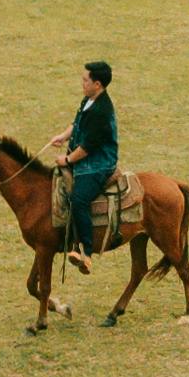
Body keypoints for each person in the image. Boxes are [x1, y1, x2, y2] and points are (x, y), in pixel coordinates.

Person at [51, 60, 117, 264]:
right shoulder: (88, 101)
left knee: (79, 200)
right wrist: (63, 136)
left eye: (85, 80)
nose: (82, 83)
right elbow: (77, 122)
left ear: (97, 84)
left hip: (98, 164)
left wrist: (67, 159)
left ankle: (86, 251)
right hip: (85, 158)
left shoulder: (101, 111)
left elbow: (88, 147)